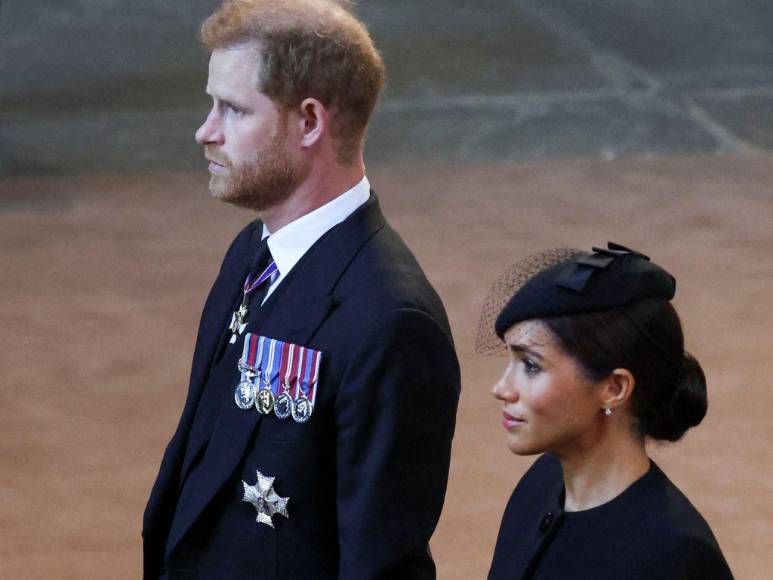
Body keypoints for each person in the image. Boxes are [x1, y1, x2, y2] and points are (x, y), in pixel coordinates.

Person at [142, 1, 460, 578]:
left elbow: (380, 564)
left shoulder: (390, 323)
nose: (205, 131)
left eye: (233, 110)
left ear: (309, 122)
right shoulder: (251, 252)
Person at [477, 243, 732, 579]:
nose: (502, 388)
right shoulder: (540, 485)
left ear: (614, 388)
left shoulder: (676, 556)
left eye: (531, 366)